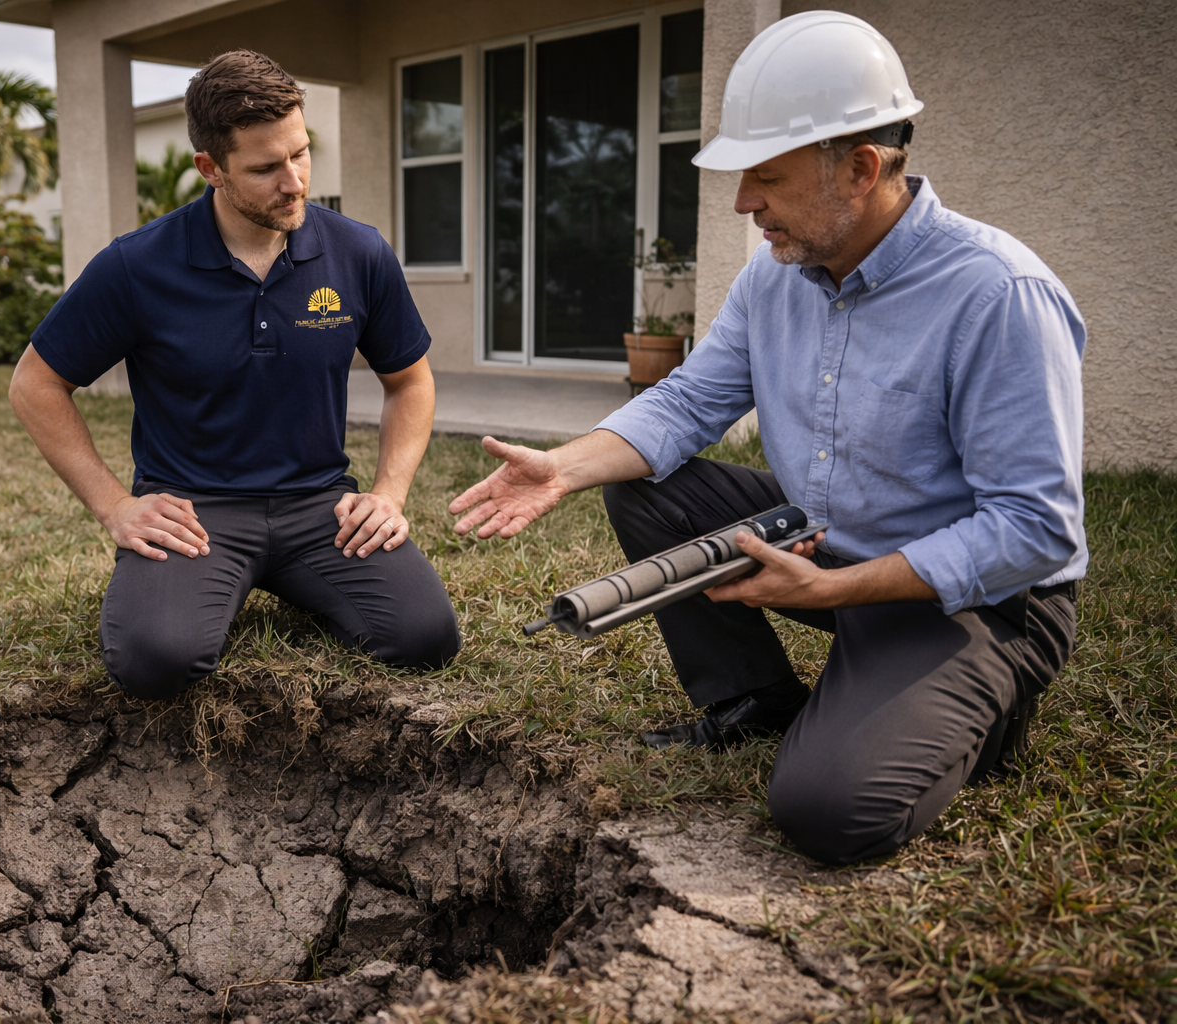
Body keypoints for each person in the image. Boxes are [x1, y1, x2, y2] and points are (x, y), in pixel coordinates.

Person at [448, 11, 1083, 865]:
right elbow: (686, 405)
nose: (745, 204)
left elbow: (1035, 530)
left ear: (860, 170)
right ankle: (757, 700)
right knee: (647, 484)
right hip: (824, 540)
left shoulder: (997, 296)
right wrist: (562, 469)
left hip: (978, 598)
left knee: (830, 811)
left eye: (768, 180)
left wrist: (840, 591)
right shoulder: (775, 275)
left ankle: (977, 704)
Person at [10, 50, 460, 702]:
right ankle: (217, 582)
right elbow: (35, 384)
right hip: (195, 513)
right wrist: (115, 506)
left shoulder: (358, 252)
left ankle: (297, 579)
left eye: (301, 154)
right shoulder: (138, 267)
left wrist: (388, 494)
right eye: (265, 167)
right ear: (211, 169)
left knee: (426, 639)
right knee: (155, 661)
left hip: (319, 507)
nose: (296, 181)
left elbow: (410, 381)